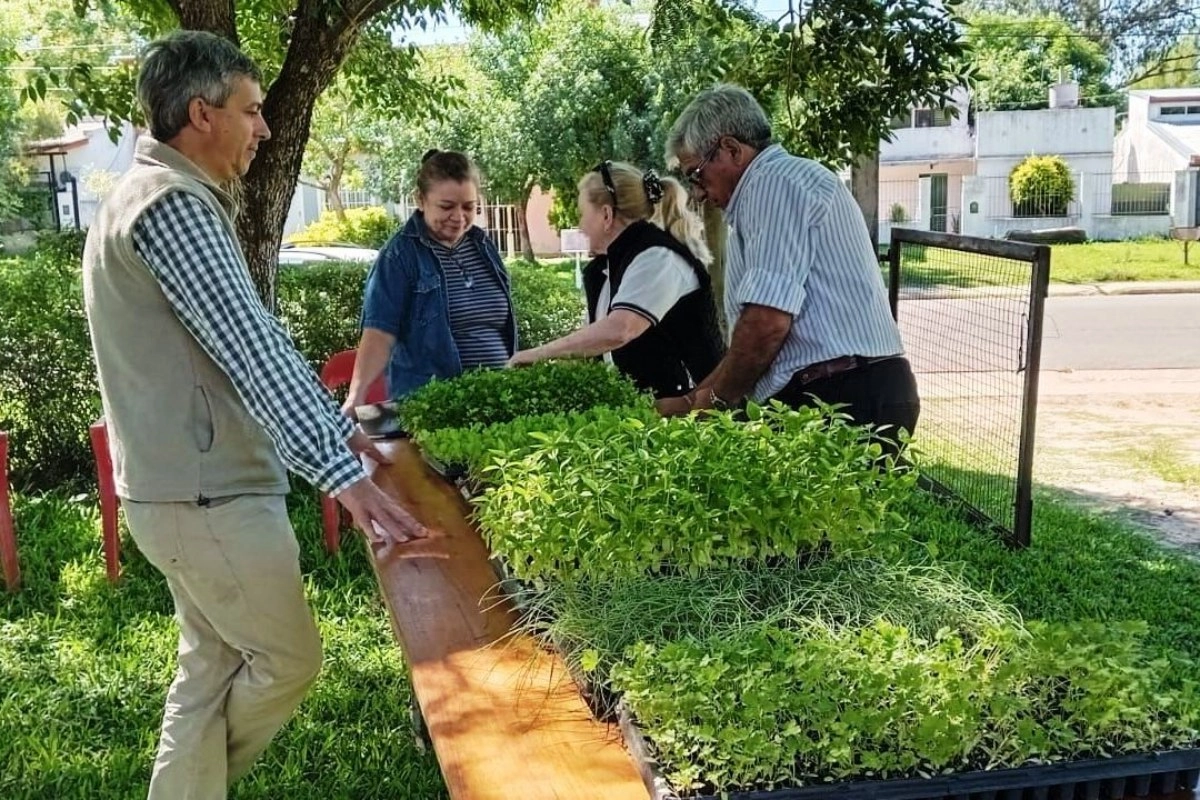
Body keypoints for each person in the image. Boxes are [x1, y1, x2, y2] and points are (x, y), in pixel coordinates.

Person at [82, 31, 430, 800]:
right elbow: (252, 352)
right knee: (289, 660)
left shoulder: (149, 195)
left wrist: (339, 432)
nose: (265, 129)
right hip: (207, 496)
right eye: (253, 110)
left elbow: (254, 340)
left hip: (180, 492)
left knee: (207, 672)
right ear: (200, 115)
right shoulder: (173, 206)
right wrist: (344, 473)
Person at [657, 84, 920, 447]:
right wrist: (696, 398)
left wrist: (705, 404)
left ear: (731, 149)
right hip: (844, 391)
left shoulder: (771, 183)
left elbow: (766, 324)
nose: (698, 192)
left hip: (841, 397)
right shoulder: (775, 187)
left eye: (696, 174)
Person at [507, 161, 724, 399]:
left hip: (695, 419)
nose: (580, 226)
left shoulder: (658, 258)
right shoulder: (608, 268)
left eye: (582, 214)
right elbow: (598, 346)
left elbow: (620, 330)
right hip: (647, 420)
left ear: (606, 215)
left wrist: (539, 354)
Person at [342, 150, 516, 412]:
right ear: (420, 200)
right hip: (433, 408)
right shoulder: (399, 255)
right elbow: (379, 333)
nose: (459, 217)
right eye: (446, 207)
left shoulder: (484, 246)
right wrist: (355, 398)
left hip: (498, 402)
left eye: (469, 206)